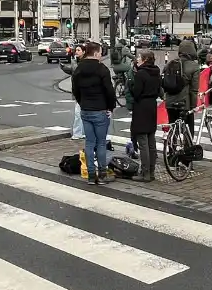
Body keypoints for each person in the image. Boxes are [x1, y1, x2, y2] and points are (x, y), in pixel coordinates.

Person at [70, 42, 116, 185]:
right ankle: (102, 175)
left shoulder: (79, 69)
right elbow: (109, 90)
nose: (101, 55)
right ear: (95, 53)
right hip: (100, 109)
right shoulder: (102, 69)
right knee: (101, 143)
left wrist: (82, 103)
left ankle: (91, 176)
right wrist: (110, 107)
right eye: (100, 53)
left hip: (86, 110)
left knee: (89, 143)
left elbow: (75, 90)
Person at [127, 50, 161, 182]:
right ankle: (151, 171)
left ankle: (145, 172)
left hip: (141, 106)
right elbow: (159, 89)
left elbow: (136, 93)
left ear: (145, 59)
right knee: (151, 139)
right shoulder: (156, 71)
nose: (137, 60)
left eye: (139, 58)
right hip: (152, 106)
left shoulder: (141, 73)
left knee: (143, 141)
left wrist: (131, 85)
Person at [163, 38, 201, 137]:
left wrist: (165, 98)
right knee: (188, 128)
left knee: (172, 125)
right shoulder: (194, 66)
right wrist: (193, 106)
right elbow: (194, 89)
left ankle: (171, 148)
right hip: (184, 103)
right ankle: (188, 148)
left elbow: (163, 82)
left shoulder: (170, 64)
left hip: (170, 102)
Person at [61, 45, 85, 140]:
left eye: (79, 50)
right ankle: (79, 132)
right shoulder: (75, 61)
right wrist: (64, 68)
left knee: (79, 113)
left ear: (83, 52)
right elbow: (73, 72)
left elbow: (76, 71)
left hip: (83, 90)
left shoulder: (84, 62)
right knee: (80, 113)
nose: (76, 52)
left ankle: (78, 133)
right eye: (76, 50)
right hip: (77, 90)